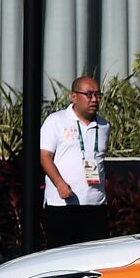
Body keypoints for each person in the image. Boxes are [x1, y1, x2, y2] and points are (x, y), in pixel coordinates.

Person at [39, 75, 112, 248]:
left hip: (96, 204)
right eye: (89, 94)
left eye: (98, 95)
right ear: (74, 97)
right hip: (63, 204)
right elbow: (44, 157)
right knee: (61, 256)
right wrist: (59, 184)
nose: (94, 99)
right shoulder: (56, 121)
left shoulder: (104, 126)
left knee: (95, 257)